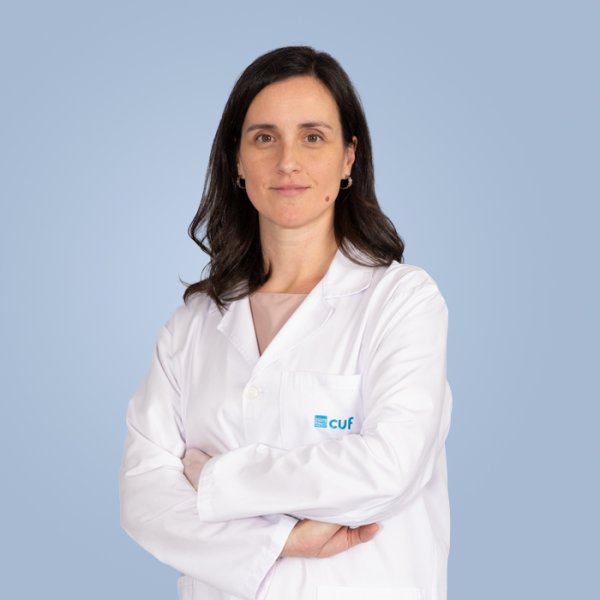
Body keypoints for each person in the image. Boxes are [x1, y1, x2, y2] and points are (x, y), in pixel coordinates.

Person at [120, 46, 452, 600]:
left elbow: (389, 468)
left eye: (313, 137)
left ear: (349, 157)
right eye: (264, 137)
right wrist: (281, 541)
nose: (288, 162)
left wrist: (216, 480)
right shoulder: (192, 326)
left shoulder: (402, 301)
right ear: (237, 159)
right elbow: (143, 498)